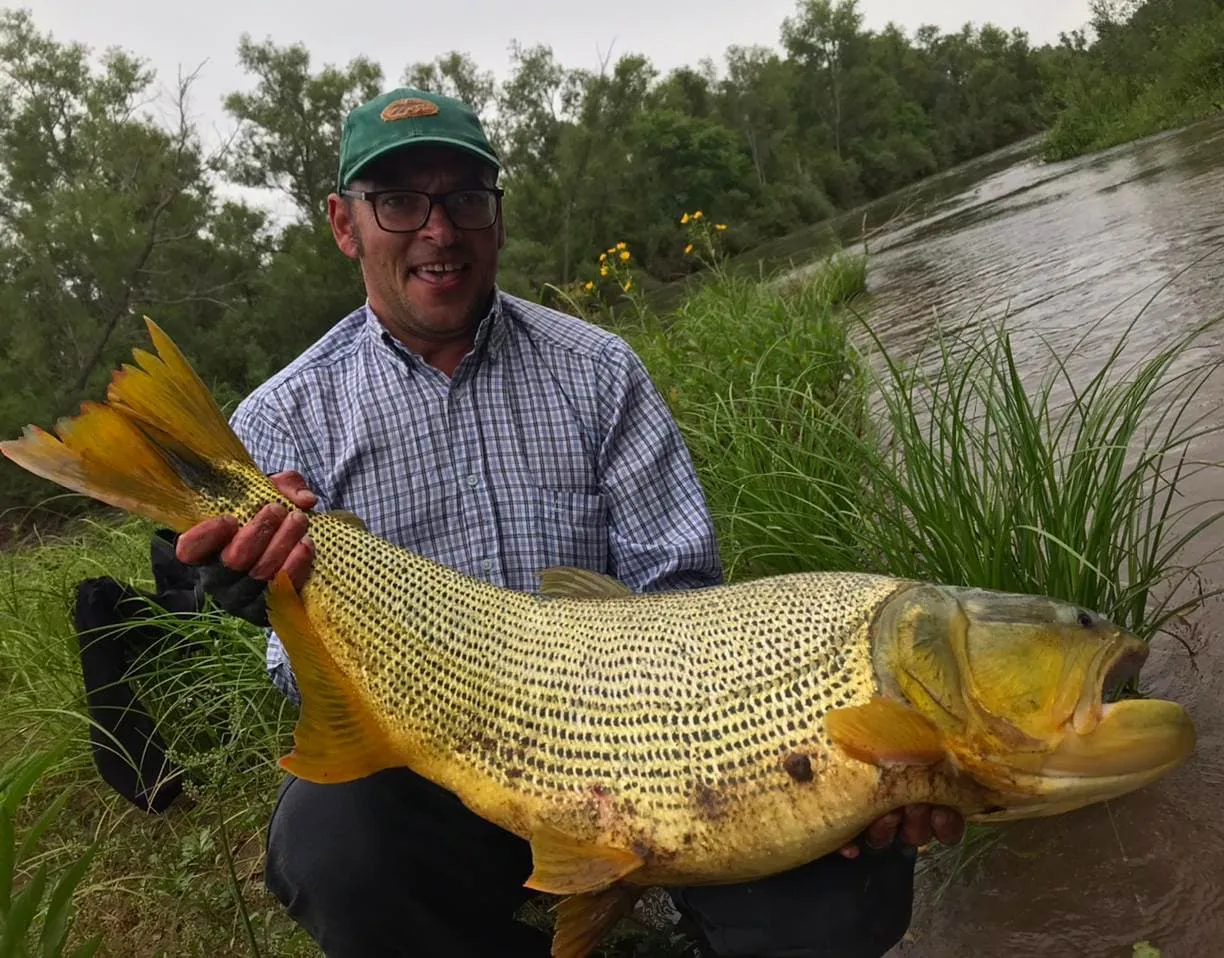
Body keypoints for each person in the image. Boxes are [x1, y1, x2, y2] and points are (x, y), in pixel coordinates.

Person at [174, 87, 964, 957]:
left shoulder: (598, 371)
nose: (439, 230)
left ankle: (669, 903)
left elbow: (684, 593)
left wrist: (857, 780)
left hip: (656, 744)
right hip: (435, 766)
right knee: (333, 852)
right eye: (398, 200)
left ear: (496, 217)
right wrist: (267, 594)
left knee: (848, 883)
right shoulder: (283, 420)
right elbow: (306, 684)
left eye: (465, 198)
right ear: (344, 223)